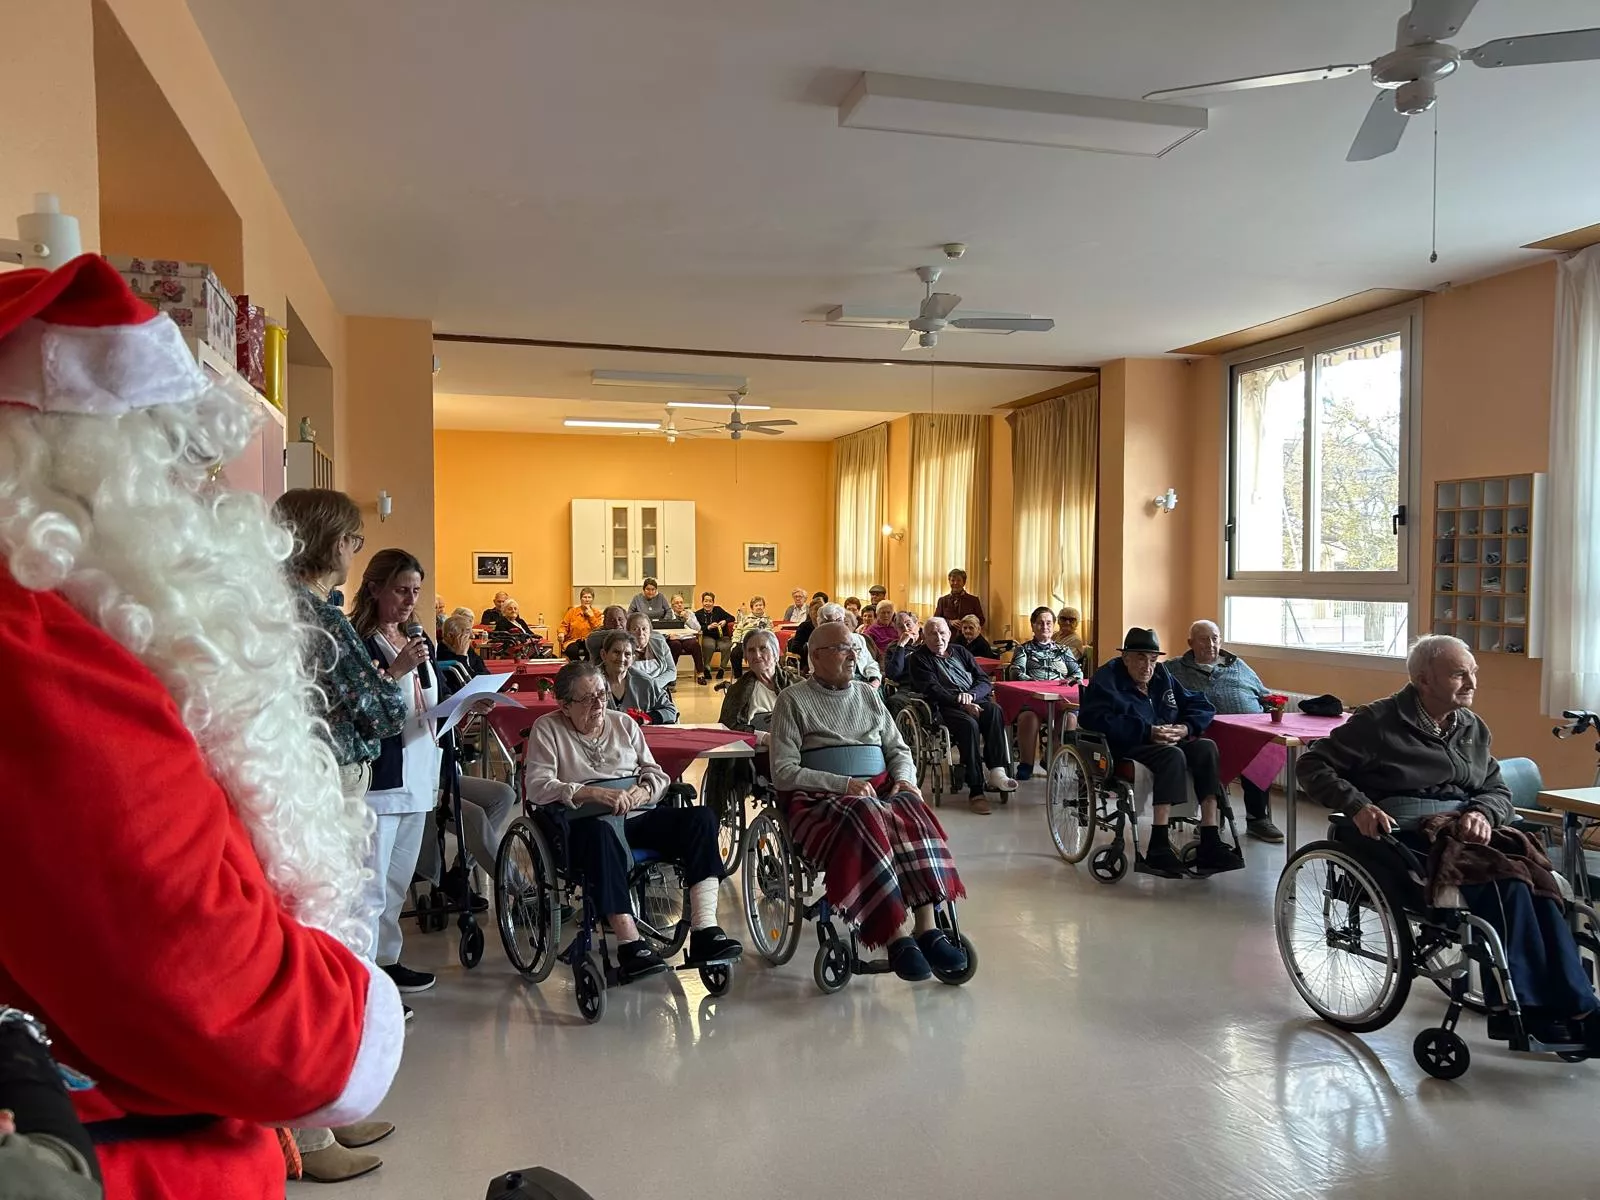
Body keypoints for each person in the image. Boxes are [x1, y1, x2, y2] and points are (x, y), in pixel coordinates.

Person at [0, 256, 402, 1199]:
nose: (198, 495)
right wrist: (348, 1026)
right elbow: (207, 982)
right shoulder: (39, 655)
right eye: (169, 461)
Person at [1298, 635, 1600, 1047]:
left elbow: (1496, 788)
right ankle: (1522, 1007)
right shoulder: (1379, 722)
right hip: (1404, 830)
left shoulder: (1471, 726)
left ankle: (1576, 1004)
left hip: (1465, 827)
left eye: (1473, 672)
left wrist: (1481, 813)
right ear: (1424, 680)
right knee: (1505, 883)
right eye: (1460, 673)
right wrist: (1358, 807)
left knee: (1541, 883)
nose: (1472, 681)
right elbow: (1313, 763)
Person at [273, 488, 411, 1181]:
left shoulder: (294, 609)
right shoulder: (314, 618)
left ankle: (329, 1106)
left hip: (306, 785)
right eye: (354, 540)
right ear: (330, 541)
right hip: (324, 788)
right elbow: (382, 709)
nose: (357, 552)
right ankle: (310, 1127)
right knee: (323, 948)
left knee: (326, 949)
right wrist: (393, 680)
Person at [769, 621, 969, 980]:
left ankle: (926, 927)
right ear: (815, 656)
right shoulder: (792, 700)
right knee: (865, 812)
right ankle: (895, 935)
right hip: (822, 799)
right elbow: (784, 771)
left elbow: (898, 749)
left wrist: (906, 780)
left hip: (876, 790)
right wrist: (843, 784)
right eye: (843, 649)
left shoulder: (868, 694)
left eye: (855, 649)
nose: (853, 655)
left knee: (911, 808)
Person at [523, 663, 741, 981]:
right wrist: (593, 794)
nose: (598, 704)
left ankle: (705, 930)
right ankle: (629, 944)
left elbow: (655, 772)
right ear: (564, 705)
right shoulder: (548, 728)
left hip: (637, 815)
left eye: (601, 694)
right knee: (600, 834)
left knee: (701, 818)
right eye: (586, 699)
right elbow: (539, 786)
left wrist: (643, 791)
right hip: (583, 824)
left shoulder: (623, 723)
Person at [1079, 628, 1244, 878]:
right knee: (1172, 756)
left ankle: (1209, 838)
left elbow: (1200, 704)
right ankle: (1158, 845)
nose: (1148, 666)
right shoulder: (1107, 679)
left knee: (1206, 747)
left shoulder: (1161, 677)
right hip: (1128, 745)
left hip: (1165, 738)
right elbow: (1094, 718)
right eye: (1142, 658)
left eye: (1153, 660)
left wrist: (1184, 727)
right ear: (1126, 657)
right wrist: (1147, 731)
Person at [352, 549, 444, 994]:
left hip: (418, 772)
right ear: (374, 588)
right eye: (402, 590)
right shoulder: (360, 640)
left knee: (397, 880)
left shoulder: (415, 636)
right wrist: (396, 669)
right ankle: (362, 970)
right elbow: (362, 709)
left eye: (416, 591)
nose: (410, 600)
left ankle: (387, 959)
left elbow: (427, 701)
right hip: (382, 776)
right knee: (370, 883)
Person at [1166, 620, 1283, 842]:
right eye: (1203, 639)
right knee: (1207, 753)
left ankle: (1258, 819)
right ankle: (1213, 817)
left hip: (1246, 732)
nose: (1210, 644)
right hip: (1203, 733)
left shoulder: (1238, 665)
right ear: (1190, 643)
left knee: (1262, 751)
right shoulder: (1175, 668)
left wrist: (1273, 710)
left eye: (1215, 638)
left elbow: (1264, 694)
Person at [907, 617, 1016, 814]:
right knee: (969, 725)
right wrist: (961, 702)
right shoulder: (919, 658)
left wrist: (972, 696)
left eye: (942, 633)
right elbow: (933, 689)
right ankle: (976, 790)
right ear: (924, 636)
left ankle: (996, 771)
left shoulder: (960, 651)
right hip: (945, 706)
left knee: (994, 711)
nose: (938, 637)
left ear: (949, 634)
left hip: (973, 699)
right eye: (932, 633)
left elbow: (983, 679)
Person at [703, 630, 802, 823]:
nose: (757, 655)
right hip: (761, 755)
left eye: (763, 648)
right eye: (751, 650)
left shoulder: (796, 684)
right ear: (746, 657)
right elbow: (729, 726)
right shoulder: (739, 690)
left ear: (776, 652)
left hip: (797, 749)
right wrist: (765, 738)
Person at [1008, 606, 1085, 781]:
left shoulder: (1064, 650)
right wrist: (1034, 683)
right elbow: (1016, 672)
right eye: (1040, 623)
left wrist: (1071, 679)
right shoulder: (1023, 649)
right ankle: (1026, 763)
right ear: (1033, 626)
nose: (1045, 627)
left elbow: (1078, 673)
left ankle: (1050, 759)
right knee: (1028, 718)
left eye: (1049, 623)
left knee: (1070, 718)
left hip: (1059, 700)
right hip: (1033, 700)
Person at [597, 630, 678, 724]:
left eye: (627, 654)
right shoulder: (589, 681)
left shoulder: (645, 682)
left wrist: (646, 718)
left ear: (632, 659)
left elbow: (671, 710)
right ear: (603, 655)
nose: (621, 659)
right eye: (616, 652)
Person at [819, 602, 881, 687]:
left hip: (868, 681)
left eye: (839, 620)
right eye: (830, 622)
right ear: (822, 624)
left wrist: (875, 680)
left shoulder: (858, 639)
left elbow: (870, 663)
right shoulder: (818, 644)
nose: (836, 625)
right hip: (841, 688)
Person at [626, 610, 678, 692]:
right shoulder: (624, 649)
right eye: (635, 629)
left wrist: (653, 685)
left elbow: (672, 671)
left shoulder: (659, 643)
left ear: (650, 631)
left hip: (659, 690)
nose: (641, 633)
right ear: (628, 632)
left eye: (644, 629)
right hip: (634, 692)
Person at [695, 591, 737, 682]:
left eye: (710, 601)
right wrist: (708, 627)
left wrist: (725, 621)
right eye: (706, 601)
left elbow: (732, 617)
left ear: (713, 603)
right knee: (708, 646)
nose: (708, 603)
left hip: (722, 637)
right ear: (702, 602)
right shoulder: (698, 614)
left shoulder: (718, 610)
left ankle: (722, 669)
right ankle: (706, 668)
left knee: (727, 645)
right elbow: (697, 627)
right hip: (708, 636)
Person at [664, 592, 707, 682]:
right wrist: (669, 635)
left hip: (687, 638)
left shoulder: (689, 613)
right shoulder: (668, 614)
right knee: (675, 645)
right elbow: (664, 627)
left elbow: (698, 628)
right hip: (674, 638)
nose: (679, 605)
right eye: (677, 603)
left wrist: (688, 619)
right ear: (672, 605)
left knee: (695, 645)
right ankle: (671, 674)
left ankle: (700, 674)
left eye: (681, 602)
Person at [729, 595, 774, 679]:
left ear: (764, 607)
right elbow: (738, 631)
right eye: (756, 605)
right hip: (744, 642)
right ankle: (739, 678)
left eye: (760, 605)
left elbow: (769, 632)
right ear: (752, 608)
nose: (759, 607)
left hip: (760, 644)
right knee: (735, 653)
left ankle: (762, 676)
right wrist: (735, 642)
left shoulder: (767, 620)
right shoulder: (745, 619)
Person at [438, 611, 490, 678]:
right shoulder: (441, 654)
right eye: (467, 632)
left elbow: (485, 672)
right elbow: (460, 681)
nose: (472, 636)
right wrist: (461, 655)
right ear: (450, 635)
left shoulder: (468, 649)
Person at [557, 588, 604, 660]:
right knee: (572, 651)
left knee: (592, 651)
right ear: (581, 599)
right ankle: (577, 666)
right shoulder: (572, 611)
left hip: (589, 640)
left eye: (589, 597)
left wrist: (591, 616)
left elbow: (599, 630)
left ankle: (586, 667)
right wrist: (561, 633)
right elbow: (564, 626)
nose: (587, 599)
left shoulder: (597, 613)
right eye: (585, 597)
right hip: (573, 640)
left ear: (592, 599)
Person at [880, 611, 921, 683]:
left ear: (917, 625)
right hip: (906, 687)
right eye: (901, 627)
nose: (905, 629)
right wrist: (901, 645)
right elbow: (893, 675)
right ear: (897, 630)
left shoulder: (929, 643)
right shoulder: (892, 647)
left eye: (908, 624)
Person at [787, 597, 826, 674]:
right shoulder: (804, 626)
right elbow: (795, 648)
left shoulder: (827, 626)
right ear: (811, 612)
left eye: (821, 611)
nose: (818, 614)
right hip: (806, 661)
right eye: (816, 611)